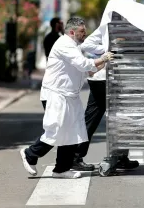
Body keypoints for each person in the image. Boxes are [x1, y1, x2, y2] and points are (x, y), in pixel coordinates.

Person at [20, 17, 114, 179]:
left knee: (74, 132)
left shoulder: (74, 47)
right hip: (56, 94)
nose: (85, 34)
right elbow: (83, 64)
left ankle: (62, 169)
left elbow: (84, 70)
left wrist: (100, 64)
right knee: (56, 130)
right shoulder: (64, 44)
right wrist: (102, 58)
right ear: (72, 32)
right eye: (82, 32)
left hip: (70, 96)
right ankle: (30, 153)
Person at [72, 27, 139, 171]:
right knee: (119, 118)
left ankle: (76, 156)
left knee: (100, 117)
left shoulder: (131, 28)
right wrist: (111, 47)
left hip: (110, 78)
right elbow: (86, 44)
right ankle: (118, 157)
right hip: (104, 78)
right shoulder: (108, 25)